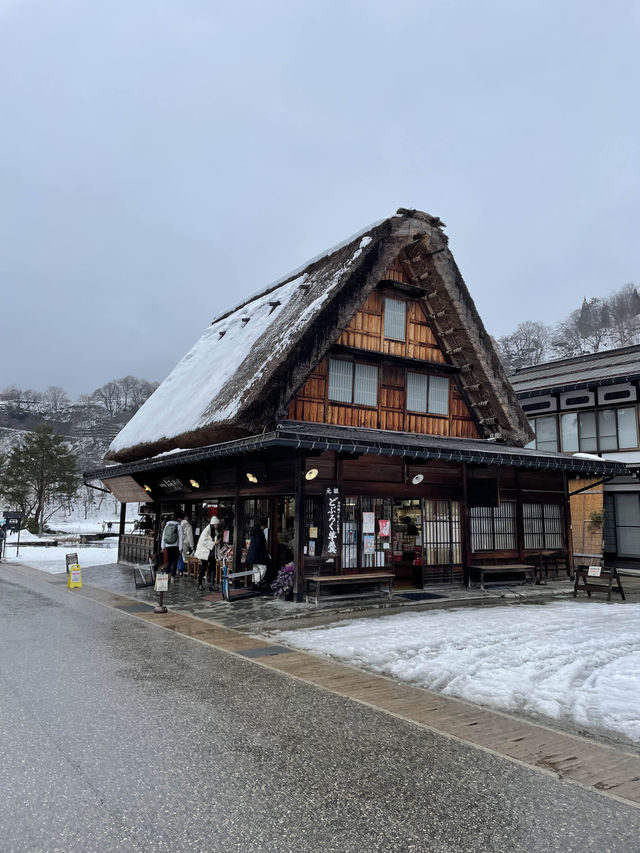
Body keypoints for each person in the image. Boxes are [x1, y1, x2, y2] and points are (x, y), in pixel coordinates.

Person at [194, 516, 219, 591]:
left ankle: (212, 584)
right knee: (203, 568)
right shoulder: (206, 531)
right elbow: (203, 542)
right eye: (216, 524)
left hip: (211, 553)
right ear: (213, 524)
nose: (217, 526)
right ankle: (199, 584)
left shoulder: (214, 531)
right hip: (204, 553)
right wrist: (214, 542)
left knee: (213, 568)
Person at [244, 520, 268, 585]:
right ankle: (257, 581)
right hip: (258, 555)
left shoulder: (254, 533)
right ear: (261, 526)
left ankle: (255, 582)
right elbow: (259, 544)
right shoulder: (259, 533)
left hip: (253, 555)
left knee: (255, 569)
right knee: (263, 568)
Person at [161, 514, 183, 579]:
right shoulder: (179, 526)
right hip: (175, 546)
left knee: (169, 561)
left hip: (167, 545)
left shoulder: (166, 525)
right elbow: (181, 538)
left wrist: (163, 546)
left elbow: (163, 536)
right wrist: (180, 548)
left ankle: (166, 573)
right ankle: (173, 575)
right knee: (175, 561)